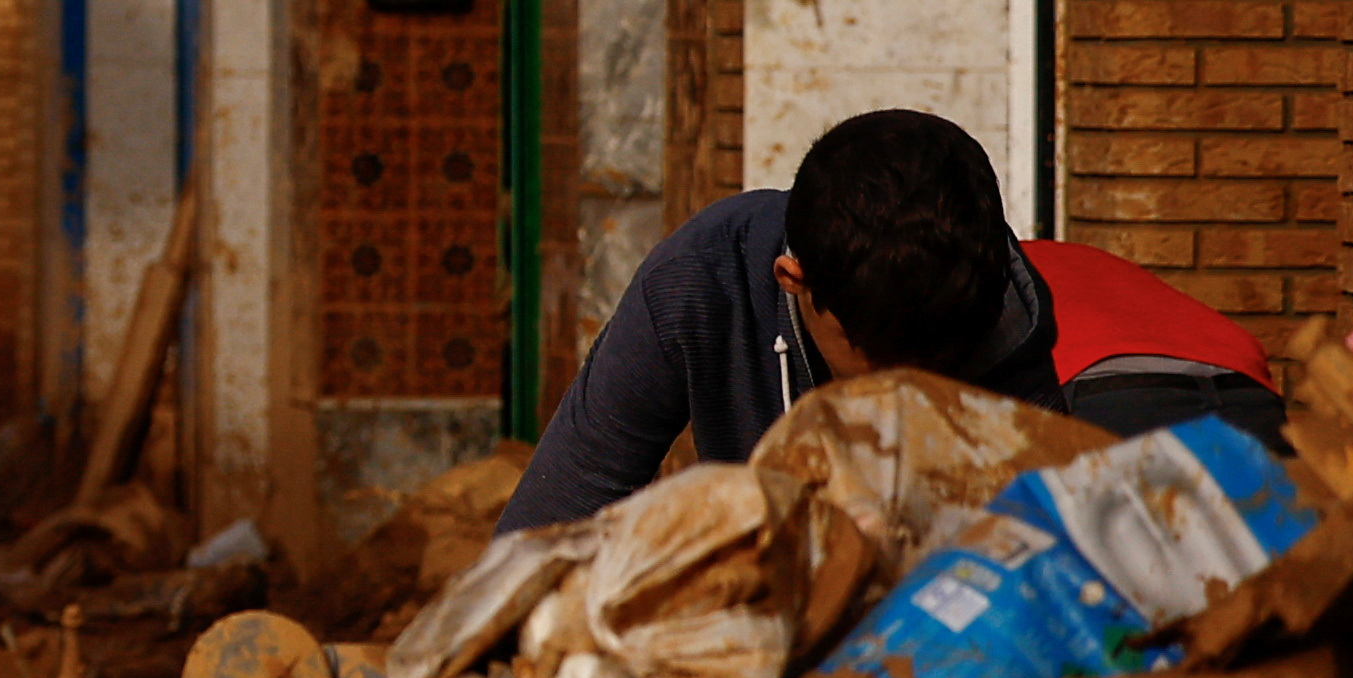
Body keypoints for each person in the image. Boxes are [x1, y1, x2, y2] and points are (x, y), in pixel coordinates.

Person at [501, 106, 1287, 534]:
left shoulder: (1076, 366)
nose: (908, 397)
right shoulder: (703, 284)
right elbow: (547, 532)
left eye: (938, 362)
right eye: (878, 362)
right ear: (795, 284)